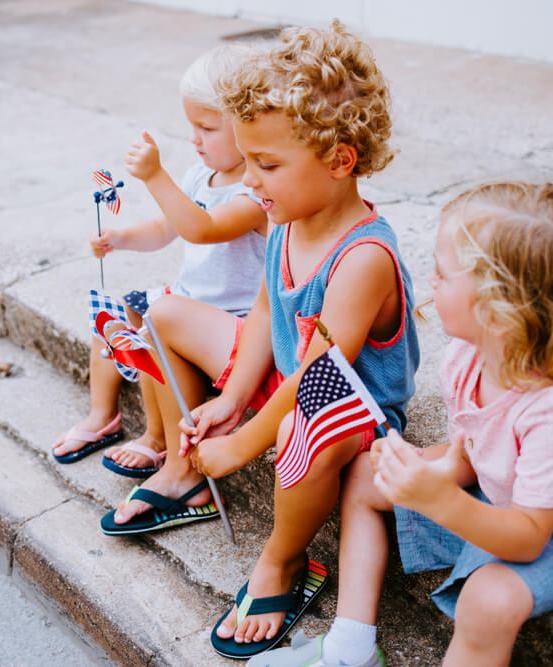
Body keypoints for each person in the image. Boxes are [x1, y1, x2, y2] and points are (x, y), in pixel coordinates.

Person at [99, 21, 420, 660]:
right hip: (286, 376)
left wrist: (246, 440)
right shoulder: (287, 215)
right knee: (165, 314)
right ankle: (185, 473)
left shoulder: (362, 258)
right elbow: (267, 313)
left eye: (267, 165)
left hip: (349, 409)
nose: (253, 183)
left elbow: (318, 378)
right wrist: (234, 395)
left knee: (302, 428)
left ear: (339, 161)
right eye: (249, 163)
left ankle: (282, 559)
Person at [252, 181, 553, 667]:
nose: (430, 280)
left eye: (443, 275)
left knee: (487, 601)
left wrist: (439, 498)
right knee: (366, 474)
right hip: (504, 495)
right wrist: (435, 470)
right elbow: (477, 446)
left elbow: (528, 536)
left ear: (501, 313)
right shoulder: (469, 356)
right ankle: (350, 647)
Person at [51, 43, 268, 476]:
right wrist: (121, 237)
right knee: (114, 316)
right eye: (192, 126)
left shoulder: (254, 192)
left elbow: (201, 227)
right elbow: (165, 227)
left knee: (152, 330)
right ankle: (102, 415)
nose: (194, 138)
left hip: (227, 316)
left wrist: (154, 176)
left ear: (250, 126)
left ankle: (155, 438)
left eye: (206, 128)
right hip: (190, 298)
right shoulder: (197, 175)